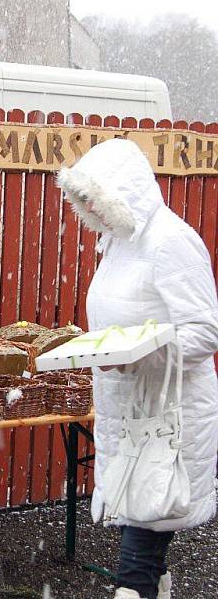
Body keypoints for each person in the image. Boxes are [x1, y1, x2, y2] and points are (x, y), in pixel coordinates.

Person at [57, 138, 218, 599]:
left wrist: (138, 357)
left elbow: (205, 331)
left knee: (139, 548)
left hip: (172, 417)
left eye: (96, 199)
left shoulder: (172, 242)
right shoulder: (119, 245)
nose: (91, 210)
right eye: (83, 201)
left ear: (123, 192)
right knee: (145, 520)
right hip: (129, 413)